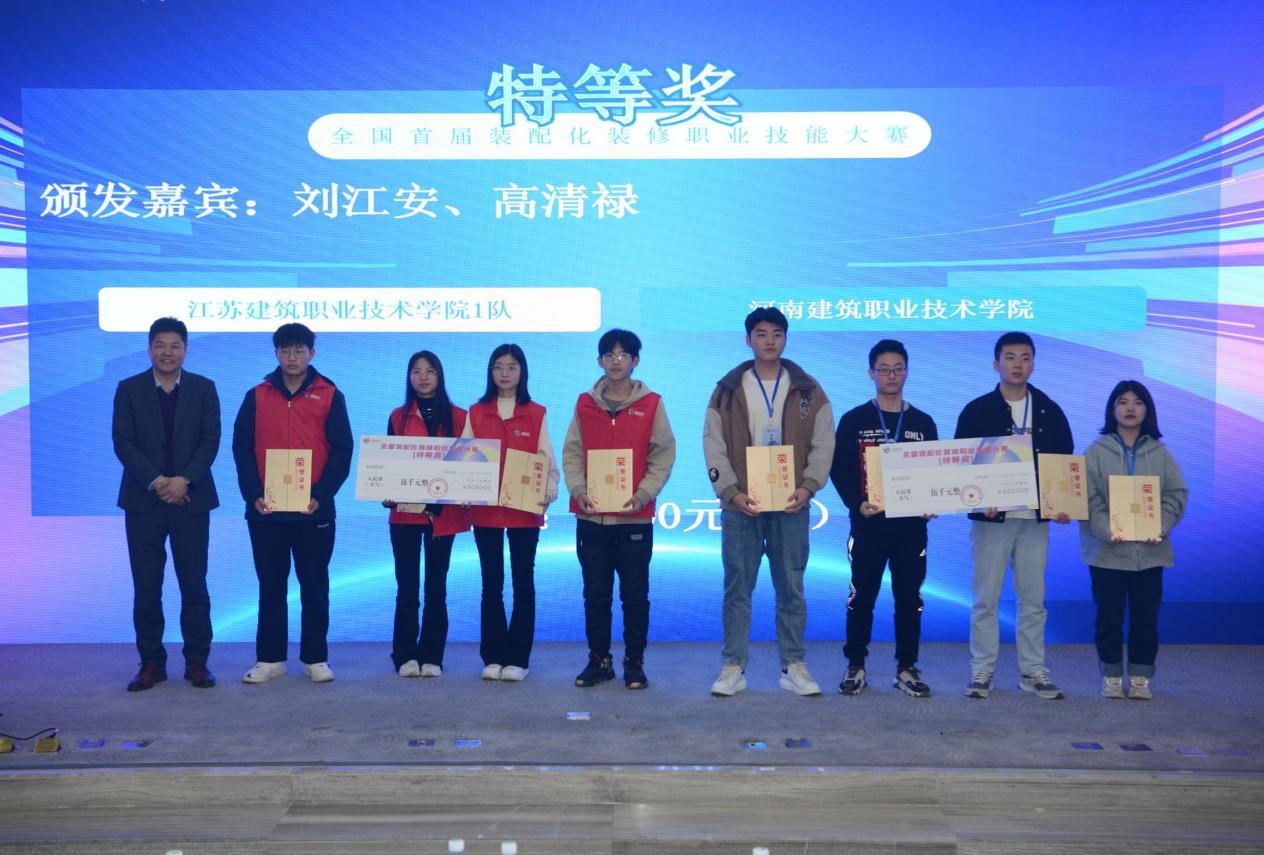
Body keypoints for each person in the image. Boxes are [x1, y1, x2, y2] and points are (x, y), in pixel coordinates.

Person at [703, 307, 835, 697]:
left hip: (791, 504)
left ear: (785, 338)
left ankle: (793, 666)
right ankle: (733, 667)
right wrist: (731, 491)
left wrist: (808, 487)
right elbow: (713, 444)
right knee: (737, 588)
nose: (770, 341)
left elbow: (824, 441)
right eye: (761, 334)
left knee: (791, 587)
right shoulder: (727, 389)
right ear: (748, 340)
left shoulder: (808, 388)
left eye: (777, 333)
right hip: (742, 505)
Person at [955, 332, 1073, 700]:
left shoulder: (1050, 410)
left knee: (1033, 600)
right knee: (985, 598)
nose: (1017, 364)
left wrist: (1063, 503)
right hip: (992, 520)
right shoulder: (977, 410)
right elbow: (962, 463)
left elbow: (1063, 463)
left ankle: (1033, 670)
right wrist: (979, 498)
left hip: (1034, 519)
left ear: (1033, 364)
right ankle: (982, 670)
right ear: (996, 364)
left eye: (1025, 357)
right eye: (1010, 357)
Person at [232, 323, 352, 684]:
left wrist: (322, 493)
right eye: (285, 350)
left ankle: (316, 657)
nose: (292, 357)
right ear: (276, 354)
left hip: (313, 509)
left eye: (299, 350)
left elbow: (342, 450)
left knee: (314, 584)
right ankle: (270, 659)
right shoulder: (257, 395)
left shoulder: (330, 394)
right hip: (266, 510)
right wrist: (254, 494)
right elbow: (241, 448)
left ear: (311, 353)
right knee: (271, 585)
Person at [563, 329, 677, 689]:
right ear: (599, 361)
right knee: (595, 595)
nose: (616, 361)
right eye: (609, 355)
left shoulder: (652, 404)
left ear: (635, 361)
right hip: (592, 516)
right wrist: (578, 490)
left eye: (623, 354)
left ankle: (634, 662)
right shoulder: (584, 403)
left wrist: (644, 493)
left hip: (635, 516)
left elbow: (663, 454)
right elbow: (572, 452)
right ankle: (599, 660)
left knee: (635, 595)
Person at [112, 317, 220, 692]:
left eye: (175, 345)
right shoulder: (129, 389)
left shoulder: (204, 388)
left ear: (186, 350)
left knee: (194, 585)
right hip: (144, 502)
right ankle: (151, 663)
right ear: (149, 349)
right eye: (160, 345)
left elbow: (210, 441)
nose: (167, 352)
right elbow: (123, 442)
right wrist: (159, 482)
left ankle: (197, 663)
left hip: (191, 500)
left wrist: (183, 480)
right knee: (147, 587)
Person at [829, 339, 938, 697]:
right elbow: (839, 469)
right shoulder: (854, 420)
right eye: (884, 369)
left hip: (910, 528)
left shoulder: (923, 423)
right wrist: (856, 503)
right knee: (862, 597)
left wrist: (932, 500)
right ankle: (855, 665)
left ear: (907, 372)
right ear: (871, 373)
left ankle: (907, 667)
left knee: (909, 599)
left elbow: (935, 471)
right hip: (869, 525)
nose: (891, 375)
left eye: (898, 369)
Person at [1080, 380, 1187, 700]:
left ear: (1147, 410)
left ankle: (1141, 676)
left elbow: (1176, 493)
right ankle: (1111, 675)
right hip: (1107, 552)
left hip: (1150, 553)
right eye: (1123, 402)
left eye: (1138, 402)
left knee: (1145, 619)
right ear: (1112, 409)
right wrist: (1107, 529)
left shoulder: (1160, 452)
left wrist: (1160, 526)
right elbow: (1087, 497)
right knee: (1108, 618)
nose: (1130, 408)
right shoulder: (1095, 452)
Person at [462, 344, 558, 682]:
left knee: (522, 582)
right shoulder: (476, 412)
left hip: (524, 510)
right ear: (490, 372)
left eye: (512, 366)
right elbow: (464, 461)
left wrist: (548, 493)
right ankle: (492, 656)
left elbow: (546, 459)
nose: (505, 373)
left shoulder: (535, 412)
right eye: (498, 367)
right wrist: (462, 490)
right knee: (491, 583)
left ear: (522, 372)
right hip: (486, 511)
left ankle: (518, 658)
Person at [384, 351, 470, 678]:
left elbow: (469, 466)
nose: (423, 377)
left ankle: (432, 655)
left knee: (436, 588)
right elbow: (387, 464)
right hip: (405, 515)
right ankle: (405, 654)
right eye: (416, 371)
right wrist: (386, 490)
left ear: (440, 375)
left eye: (430, 371)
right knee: (407, 588)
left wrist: (469, 491)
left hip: (442, 517)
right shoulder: (398, 417)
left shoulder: (460, 417)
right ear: (409, 377)